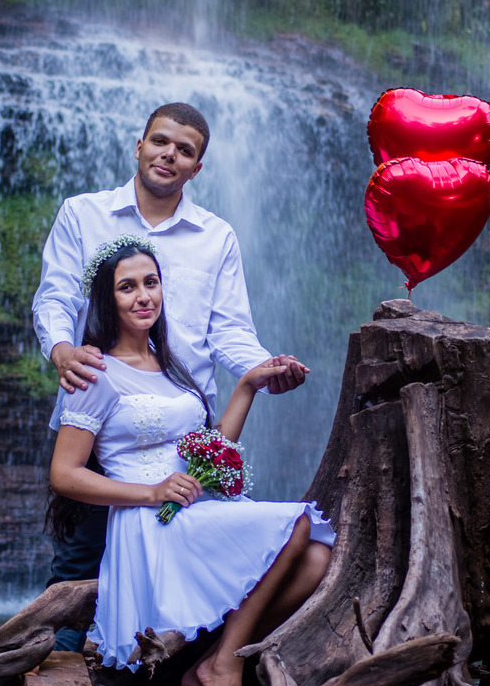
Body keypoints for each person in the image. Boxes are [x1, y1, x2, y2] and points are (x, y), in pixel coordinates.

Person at [32, 103, 308, 648]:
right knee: (80, 571)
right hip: (104, 419)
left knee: (184, 573)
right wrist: (62, 351)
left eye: (185, 150)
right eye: (160, 142)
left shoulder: (216, 236)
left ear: (196, 167)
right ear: (138, 146)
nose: (169, 155)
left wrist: (259, 369)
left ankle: (161, 684)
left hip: (184, 431)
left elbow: (229, 330)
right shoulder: (83, 214)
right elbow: (56, 297)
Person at [49, 236, 334, 686]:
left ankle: (217, 658)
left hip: (189, 508)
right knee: (297, 527)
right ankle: (226, 666)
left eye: (151, 283)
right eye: (127, 287)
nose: (144, 296)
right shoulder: (95, 371)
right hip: (149, 521)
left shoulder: (171, 365)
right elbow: (64, 475)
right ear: (105, 299)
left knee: (316, 558)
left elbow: (209, 449)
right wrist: (154, 492)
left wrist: (247, 384)